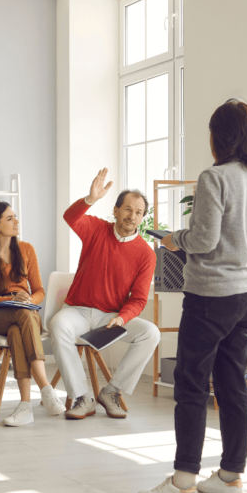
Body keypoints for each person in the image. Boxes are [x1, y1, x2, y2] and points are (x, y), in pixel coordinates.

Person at [139, 99, 247, 493]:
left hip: (211, 298)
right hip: (246, 297)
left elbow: (203, 241)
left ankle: (182, 484)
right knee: (232, 388)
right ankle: (230, 478)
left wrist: (173, 238)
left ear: (219, 136)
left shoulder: (214, 178)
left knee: (191, 386)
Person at [49, 170, 160, 421]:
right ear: (116, 210)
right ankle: (82, 397)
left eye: (139, 212)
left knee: (151, 333)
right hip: (77, 310)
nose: (132, 216)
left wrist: (122, 318)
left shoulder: (146, 254)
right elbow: (70, 217)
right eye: (128, 209)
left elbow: (139, 299)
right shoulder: (96, 229)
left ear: (142, 217)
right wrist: (90, 199)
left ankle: (111, 391)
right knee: (58, 325)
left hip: (111, 317)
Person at [0, 200, 62, 426]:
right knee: (22, 316)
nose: (16, 221)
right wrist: (12, 299)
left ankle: (25, 405)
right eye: (10, 218)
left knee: (16, 331)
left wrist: (29, 300)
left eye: (15, 216)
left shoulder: (26, 249)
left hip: (25, 314)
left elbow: (40, 290)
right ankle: (45, 387)